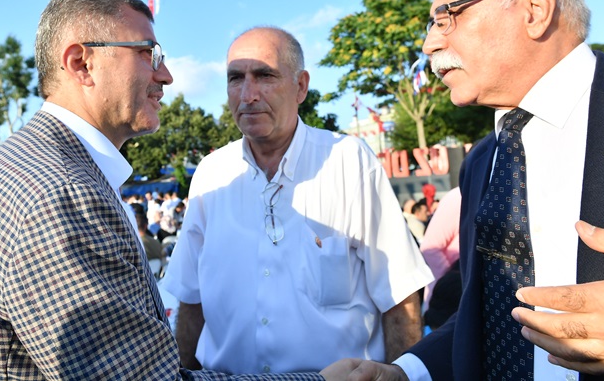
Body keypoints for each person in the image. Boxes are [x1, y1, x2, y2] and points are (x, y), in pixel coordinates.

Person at [0, 0, 367, 380]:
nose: (166, 76)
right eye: (148, 54)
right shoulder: (60, 193)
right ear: (81, 63)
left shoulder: (42, 166)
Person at [351, 0, 604, 380]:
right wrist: (407, 371)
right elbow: (487, 312)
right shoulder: (484, 162)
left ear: (535, 8)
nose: (429, 42)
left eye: (447, 16)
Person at [161, 26, 433, 374]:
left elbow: (400, 297)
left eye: (264, 76)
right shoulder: (212, 174)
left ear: (301, 86)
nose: (248, 94)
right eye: (235, 78)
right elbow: (191, 298)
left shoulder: (349, 162)